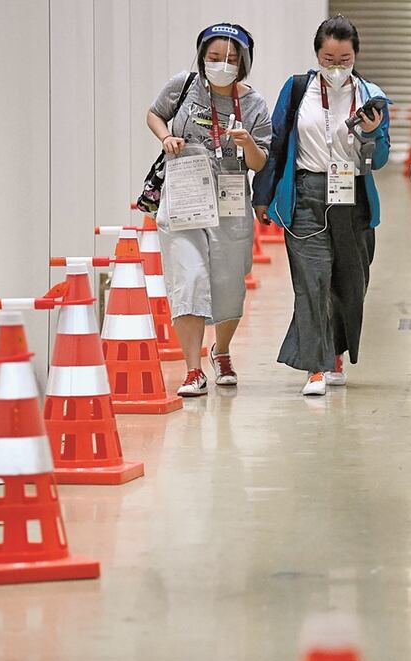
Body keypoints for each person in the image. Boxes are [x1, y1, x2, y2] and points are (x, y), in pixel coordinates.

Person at [252, 15, 390, 397]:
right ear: (317, 55)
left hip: (353, 196)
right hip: (306, 193)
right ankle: (316, 366)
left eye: (344, 58)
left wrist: (371, 132)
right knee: (311, 282)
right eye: (328, 58)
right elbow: (276, 144)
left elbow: (379, 160)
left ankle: (336, 351)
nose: (335, 66)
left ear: (355, 56)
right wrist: (261, 195)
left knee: (349, 284)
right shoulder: (298, 90)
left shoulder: (371, 95)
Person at [146, 23, 271, 397]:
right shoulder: (184, 85)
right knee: (190, 278)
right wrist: (166, 136)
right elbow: (154, 114)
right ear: (202, 56)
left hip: (231, 202)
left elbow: (260, 162)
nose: (222, 64)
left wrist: (247, 141)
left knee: (228, 284)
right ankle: (192, 369)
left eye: (231, 59)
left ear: (243, 62)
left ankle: (223, 351)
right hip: (184, 192)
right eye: (214, 58)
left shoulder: (254, 105)